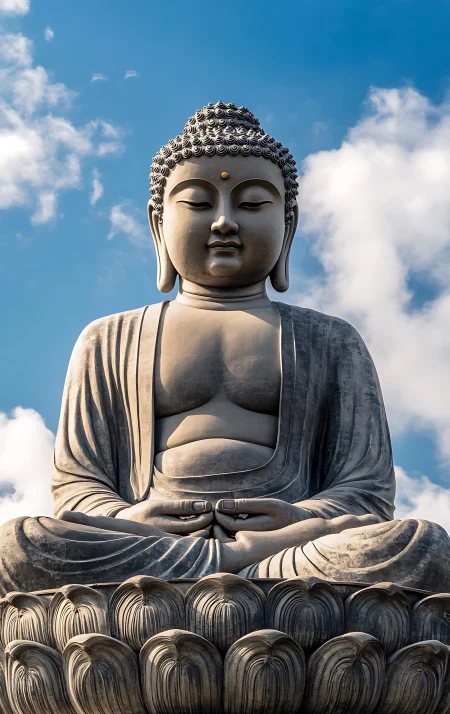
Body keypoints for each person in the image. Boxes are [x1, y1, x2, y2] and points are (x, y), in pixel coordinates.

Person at [1, 102, 448, 593]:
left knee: (418, 546)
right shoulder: (108, 340)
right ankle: (233, 577)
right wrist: (129, 517)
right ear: (158, 224)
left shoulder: (330, 340)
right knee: (23, 543)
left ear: (289, 224)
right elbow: (77, 487)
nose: (223, 222)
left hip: (290, 550)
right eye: (196, 203)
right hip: (147, 547)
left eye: (253, 204)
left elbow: (365, 493)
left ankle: (241, 569)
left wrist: (300, 517)